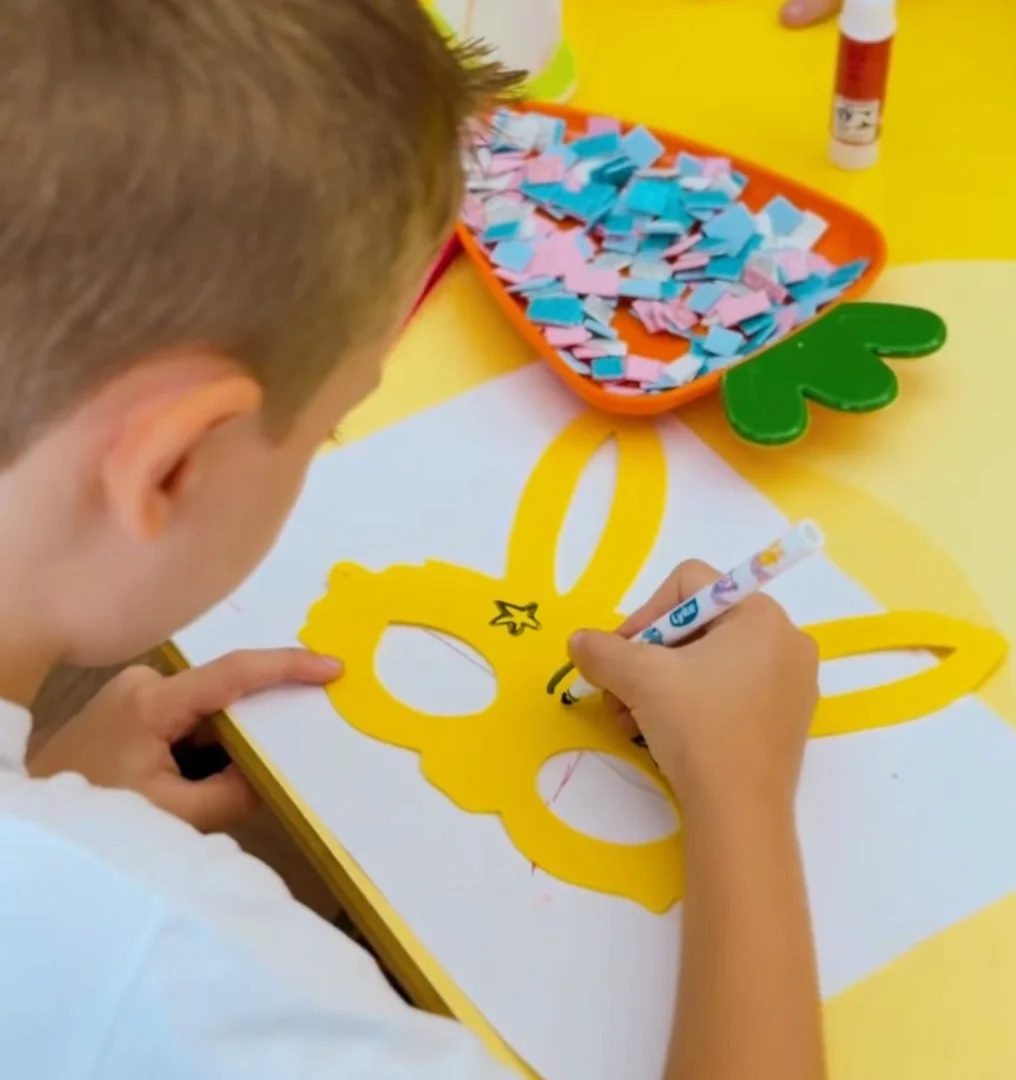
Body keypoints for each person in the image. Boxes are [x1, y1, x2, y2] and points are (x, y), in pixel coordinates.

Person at [0, 3, 824, 1079]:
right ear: (173, 466)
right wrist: (741, 792)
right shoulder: (179, 969)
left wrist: (55, 787)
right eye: (331, 421)